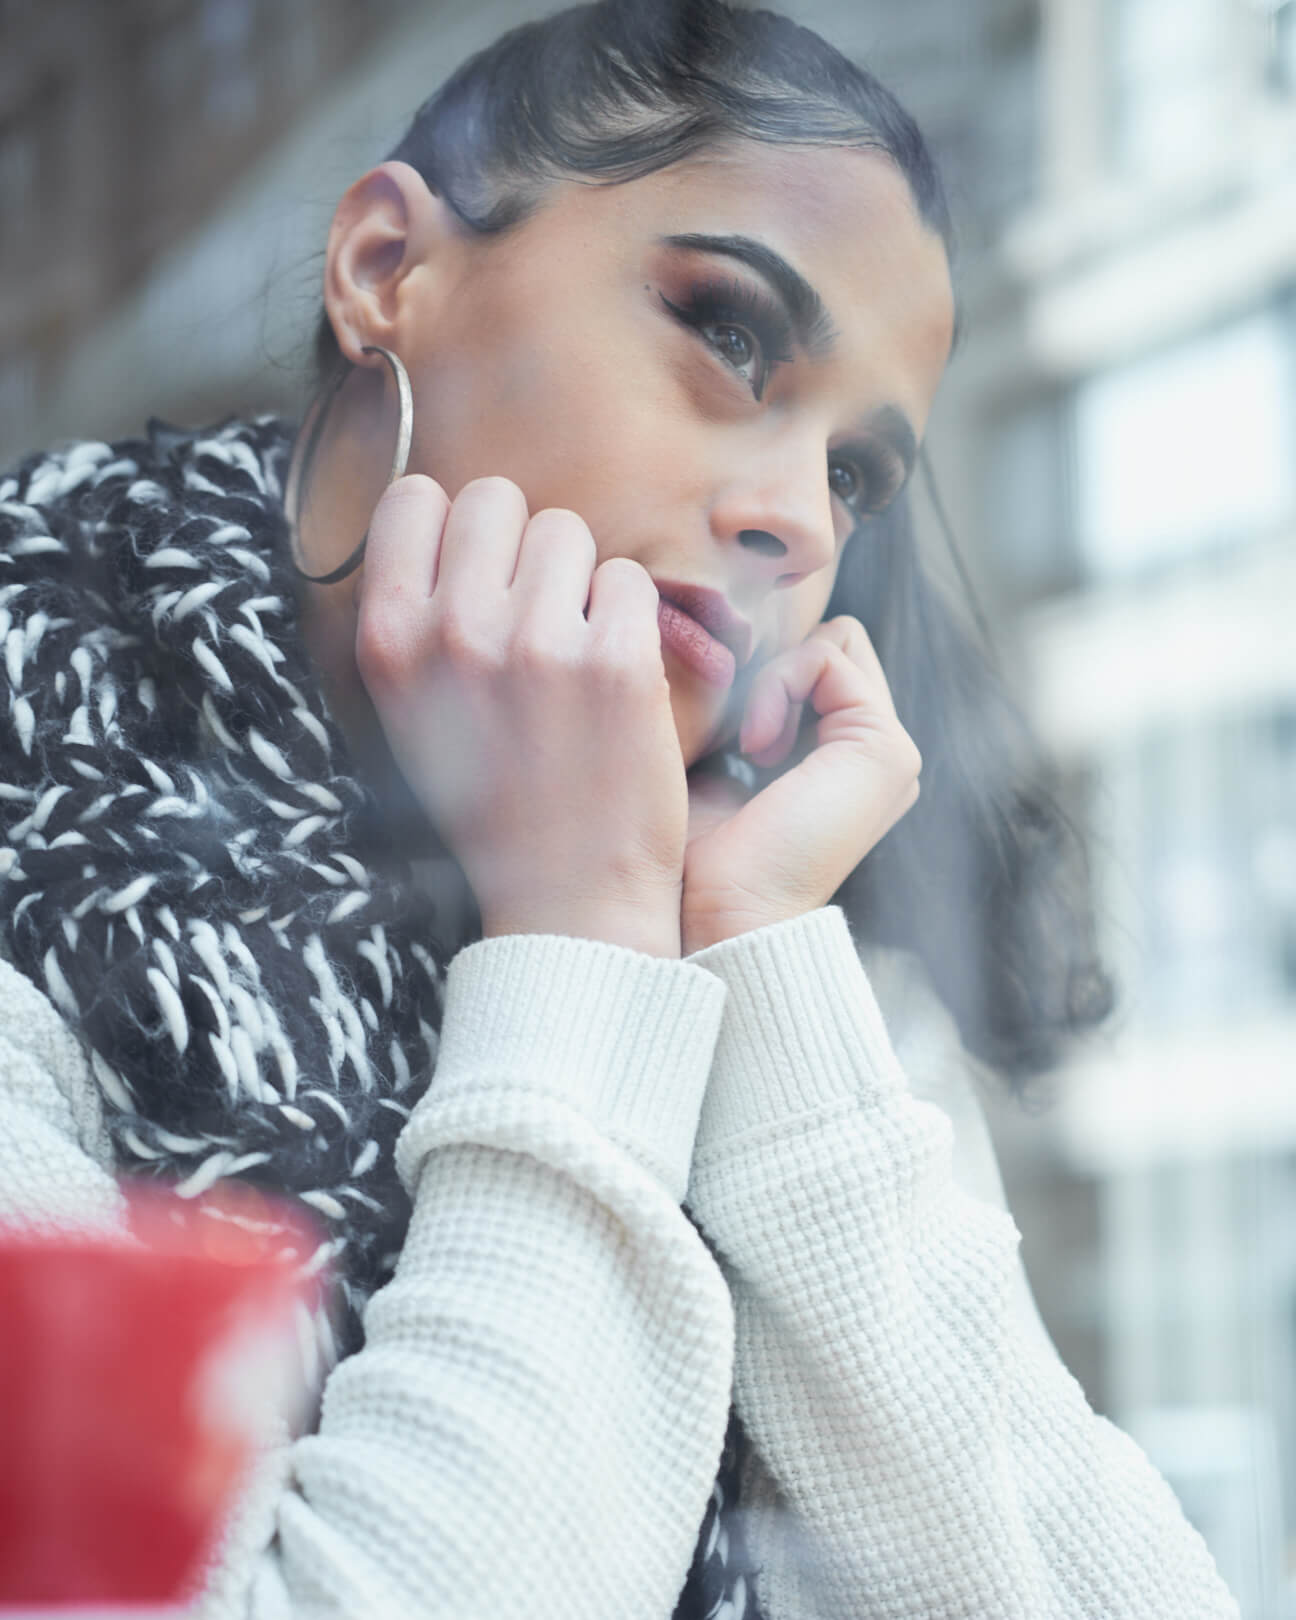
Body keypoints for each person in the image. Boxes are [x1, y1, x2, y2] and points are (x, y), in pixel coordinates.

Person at [0, 2, 1239, 1616]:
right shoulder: (43, 755)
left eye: (859, 475)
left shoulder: (757, 892)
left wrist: (749, 947)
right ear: (386, 269)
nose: (796, 518)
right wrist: (581, 932)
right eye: (728, 334)